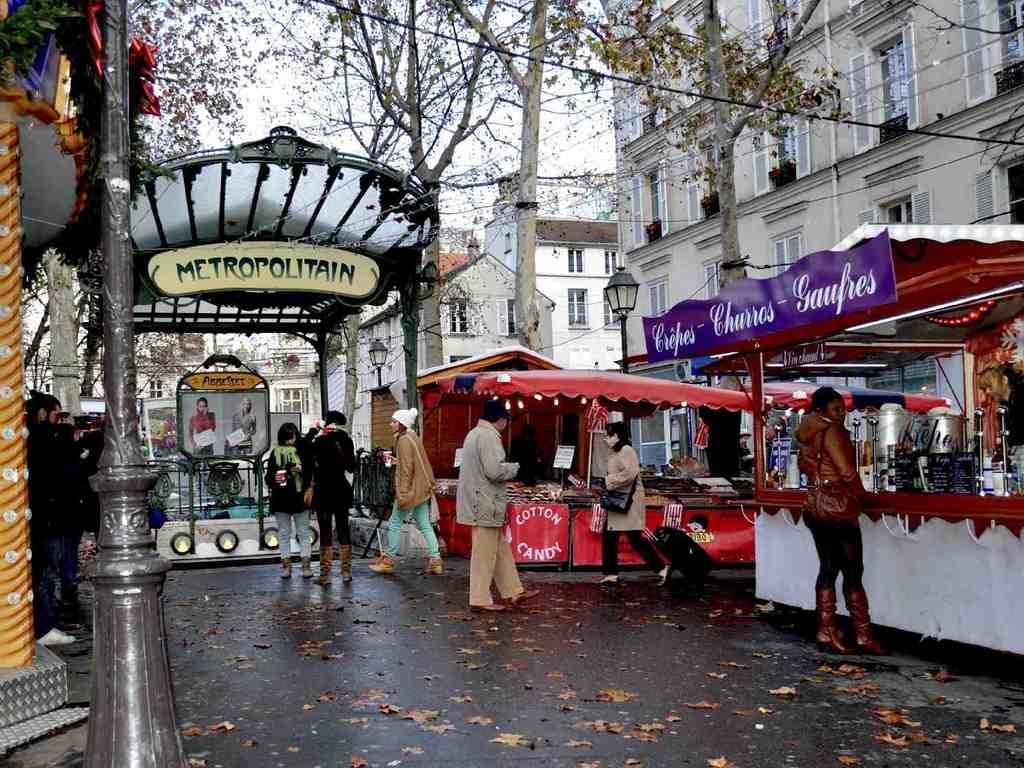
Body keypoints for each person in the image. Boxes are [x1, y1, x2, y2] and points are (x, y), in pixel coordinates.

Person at [796, 387, 885, 655]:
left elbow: (804, 466)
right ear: (821, 411)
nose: (842, 414)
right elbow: (846, 470)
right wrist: (863, 497)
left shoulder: (805, 433)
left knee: (828, 568)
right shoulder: (832, 430)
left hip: (815, 505)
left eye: (843, 409)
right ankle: (863, 634)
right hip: (837, 506)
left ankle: (826, 630)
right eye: (836, 409)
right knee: (853, 569)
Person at [456, 400, 539, 611]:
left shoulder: (474, 433)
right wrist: (515, 467)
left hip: (480, 501)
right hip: (486, 502)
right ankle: (480, 598)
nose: (507, 424)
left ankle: (513, 591)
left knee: (500, 548)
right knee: (484, 553)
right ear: (500, 419)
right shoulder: (489, 437)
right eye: (506, 420)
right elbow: (494, 471)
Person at [26, 394, 75, 645]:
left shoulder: (35, 438)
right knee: (46, 572)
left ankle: (47, 622)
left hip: (44, 518)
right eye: (56, 414)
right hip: (48, 519)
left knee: (47, 571)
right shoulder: (44, 439)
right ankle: (45, 625)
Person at [369, 409, 443, 575]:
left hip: (410, 490)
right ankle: (435, 559)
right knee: (424, 524)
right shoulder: (413, 437)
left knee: (395, 522)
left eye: (394, 421)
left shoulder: (402, 440)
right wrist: (398, 461)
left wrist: (402, 493)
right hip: (421, 488)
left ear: (402, 424)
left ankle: (388, 560)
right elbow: (414, 462)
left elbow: (407, 470)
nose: (391, 424)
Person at [599, 421, 668, 586]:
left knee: (632, 538)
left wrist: (608, 481)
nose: (606, 438)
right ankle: (611, 573)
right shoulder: (618, 451)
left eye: (609, 435)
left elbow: (630, 473)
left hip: (627, 502)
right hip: (620, 500)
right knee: (614, 536)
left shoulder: (626, 450)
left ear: (617, 436)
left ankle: (661, 568)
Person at [312, 411, 356, 585]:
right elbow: (351, 467)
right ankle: (346, 572)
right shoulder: (346, 440)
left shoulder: (319, 441)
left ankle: (325, 574)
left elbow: (312, 466)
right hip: (341, 490)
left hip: (323, 491)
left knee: (325, 530)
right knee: (343, 528)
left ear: (327, 422)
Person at [266, 422, 313, 579]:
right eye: (287, 438)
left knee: (301, 532)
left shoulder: (303, 450)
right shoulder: (276, 453)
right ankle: (287, 566)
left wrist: (302, 472)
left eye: (292, 437)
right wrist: (287, 471)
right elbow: (269, 478)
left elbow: (311, 471)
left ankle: (305, 565)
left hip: (297, 498)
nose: (290, 441)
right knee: (287, 533)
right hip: (283, 498)